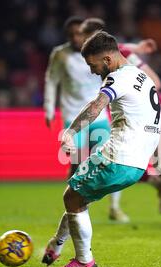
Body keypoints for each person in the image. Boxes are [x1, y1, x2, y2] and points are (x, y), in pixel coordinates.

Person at [42, 31, 161, 267]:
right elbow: (153, 120)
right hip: (137, 164)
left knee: (72, 196)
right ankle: (56, 245)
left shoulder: (116, 78)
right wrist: (157, 157)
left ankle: (83, 261)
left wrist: (69, 132)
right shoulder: (143, 77)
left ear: (108, 60)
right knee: (78, 198)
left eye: (93, 65)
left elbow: (95, 107)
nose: (92, 71)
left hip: (117, 156)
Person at [79, 18, 161, 228]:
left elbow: (155, 81)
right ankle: (154, 191)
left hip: (156, 114)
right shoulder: (102, 59)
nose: (82, 42)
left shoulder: (122, 57)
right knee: (127, 159)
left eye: (86, 37)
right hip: (131, 116)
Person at [43, 17, 129, 223]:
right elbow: (51, 80)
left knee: (110, 159)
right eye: (71, 34)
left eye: (79, 33)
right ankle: (75, 206)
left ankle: (115, 207)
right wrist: (48, 108)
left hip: (99, 116)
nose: (75, 37)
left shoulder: (98, 55)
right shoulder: (60, 54)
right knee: (77, 163)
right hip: (73, 117)